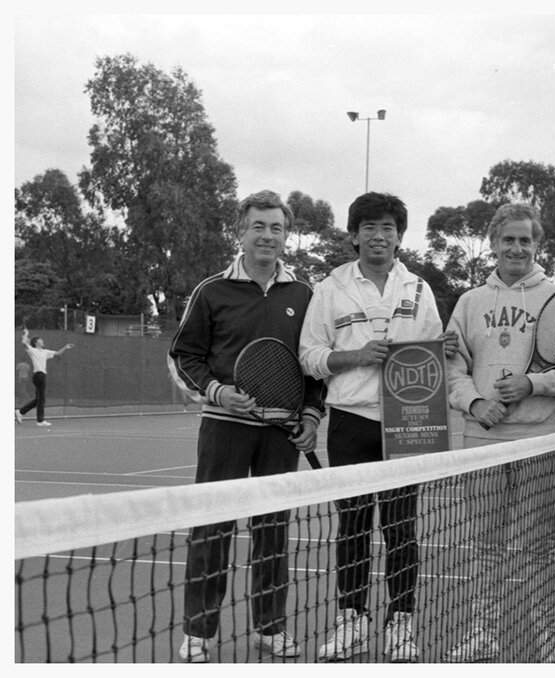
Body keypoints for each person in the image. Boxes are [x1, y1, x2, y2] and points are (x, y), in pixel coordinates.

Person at [299, 192, 457, 663]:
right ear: (354, 235)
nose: (378, 236)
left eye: (388, 227)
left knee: (402, 528)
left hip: (408, 423)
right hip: (350, 422)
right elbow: (310, 358)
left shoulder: (418, 288)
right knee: (352, 527)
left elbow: (433, 350)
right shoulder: (329, 289)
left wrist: (442, 349)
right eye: (369, 227)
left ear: (399, 236)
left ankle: (401, 622)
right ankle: (352, 620)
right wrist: (356, 356)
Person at [168, 190, 326, 663]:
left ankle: (270, 628)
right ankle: (199, 631)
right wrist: (217, 392)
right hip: (224, 426)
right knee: (212, 529)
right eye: (259, 226)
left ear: (285, 236)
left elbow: (313, 368)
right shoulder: (211, 290)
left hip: (281, 432)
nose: (267, 235)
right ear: (241, 231)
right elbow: (186, 354)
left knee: (273, 531)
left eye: (276, 228)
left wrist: (312, 416)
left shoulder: (305, 294)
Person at [442, 203, 555, 663]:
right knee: (484, 544)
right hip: (481, 442)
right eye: (508, 239)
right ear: (493, 243)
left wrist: (533, 383)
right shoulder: (469, 302)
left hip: (538, 441)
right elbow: (452, 367)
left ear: (537, 245)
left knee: (537, 546)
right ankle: (481, 630)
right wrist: (474, 402)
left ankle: (545, 635)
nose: (517, 248)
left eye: (525, 239)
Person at [17, 329, 73, 426]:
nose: (43, 341)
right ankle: (40, 421)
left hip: (41, 376)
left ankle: (20, 412)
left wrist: (65, 347)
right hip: (38, 376)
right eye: (41, 340)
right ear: (36, 343)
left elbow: (58, 353)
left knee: (39, 399)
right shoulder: (32, 350)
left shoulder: (45, 352)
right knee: (41, 399)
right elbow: (23, 343)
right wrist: (26, 334)